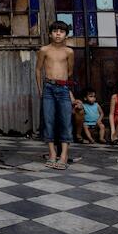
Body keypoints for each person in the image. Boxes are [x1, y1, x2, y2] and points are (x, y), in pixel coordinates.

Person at [35, 21, 76, 169]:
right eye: (55, 31)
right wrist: (41, 89)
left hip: (63, 88)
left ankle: (63, 155)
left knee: (66, 121)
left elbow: (70, 71)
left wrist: (63, 82)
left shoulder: (69, 52)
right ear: (50, 33)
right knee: (49, 120)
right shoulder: (44, 50)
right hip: (48, 88)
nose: (58, 34)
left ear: (66, 35)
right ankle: (52, 153)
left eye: (62, 31)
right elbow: (38, 70)